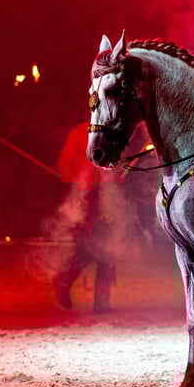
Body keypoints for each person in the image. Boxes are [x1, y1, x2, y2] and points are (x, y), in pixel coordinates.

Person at [52, 122, 119, 313]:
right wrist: (77, 185)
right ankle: (64, 280)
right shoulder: (79, 132)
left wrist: (115, 176)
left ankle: (101, 302)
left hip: (105, 195)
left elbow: (114, 165)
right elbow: (64, 165)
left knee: (107, 249)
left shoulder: (112, 133)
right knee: (90, 247)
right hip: (85, 196)